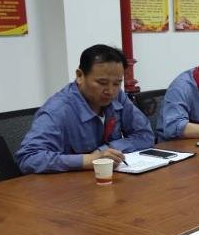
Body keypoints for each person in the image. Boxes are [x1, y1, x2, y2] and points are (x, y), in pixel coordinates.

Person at [16, 44, 154, 173]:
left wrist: (107, 149)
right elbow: (28, 158)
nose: (110, 91)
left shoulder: (118, 97)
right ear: (80, 76)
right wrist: (89, 160)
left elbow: (145, 135)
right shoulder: (58, 110)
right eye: (102, 83)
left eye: (117, 83)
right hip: (68, 184)